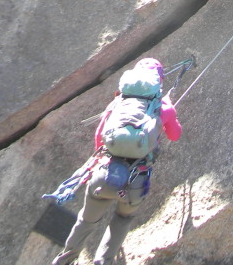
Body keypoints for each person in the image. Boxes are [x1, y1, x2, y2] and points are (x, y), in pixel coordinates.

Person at [51, 58, 182, 265]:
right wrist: (168, 112)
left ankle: (63, 261)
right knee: (122, 220)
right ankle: (104, 261)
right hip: (135, 182)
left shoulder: (118, 103)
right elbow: (175, 135)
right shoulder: (164, 108)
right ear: (158, 81)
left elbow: (99, 136)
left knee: (86, 221)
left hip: (105, 174)